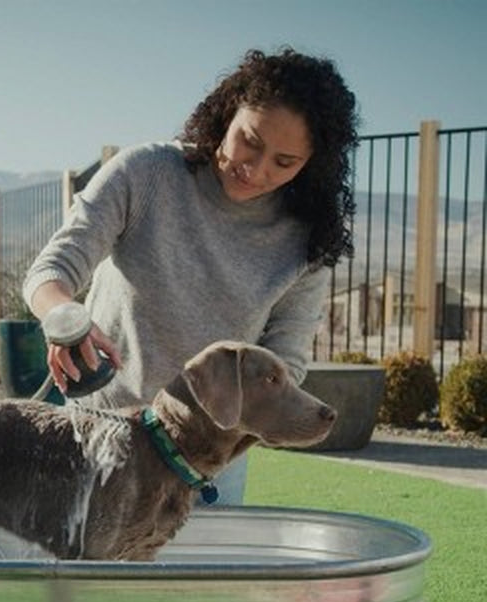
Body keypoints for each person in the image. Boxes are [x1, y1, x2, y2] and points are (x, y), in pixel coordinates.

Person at [22, 47, 359, 504]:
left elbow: (286, 362)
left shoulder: (307, 241)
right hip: (98, 436)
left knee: (198, 578)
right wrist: (64, 317)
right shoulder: (146, 174)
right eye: (250, 140)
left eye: (284, 162)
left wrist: (218, 436)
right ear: (229, 108)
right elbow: (51, 271)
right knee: (84, 576)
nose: (256, 169)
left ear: (312, 163)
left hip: (208, 463)